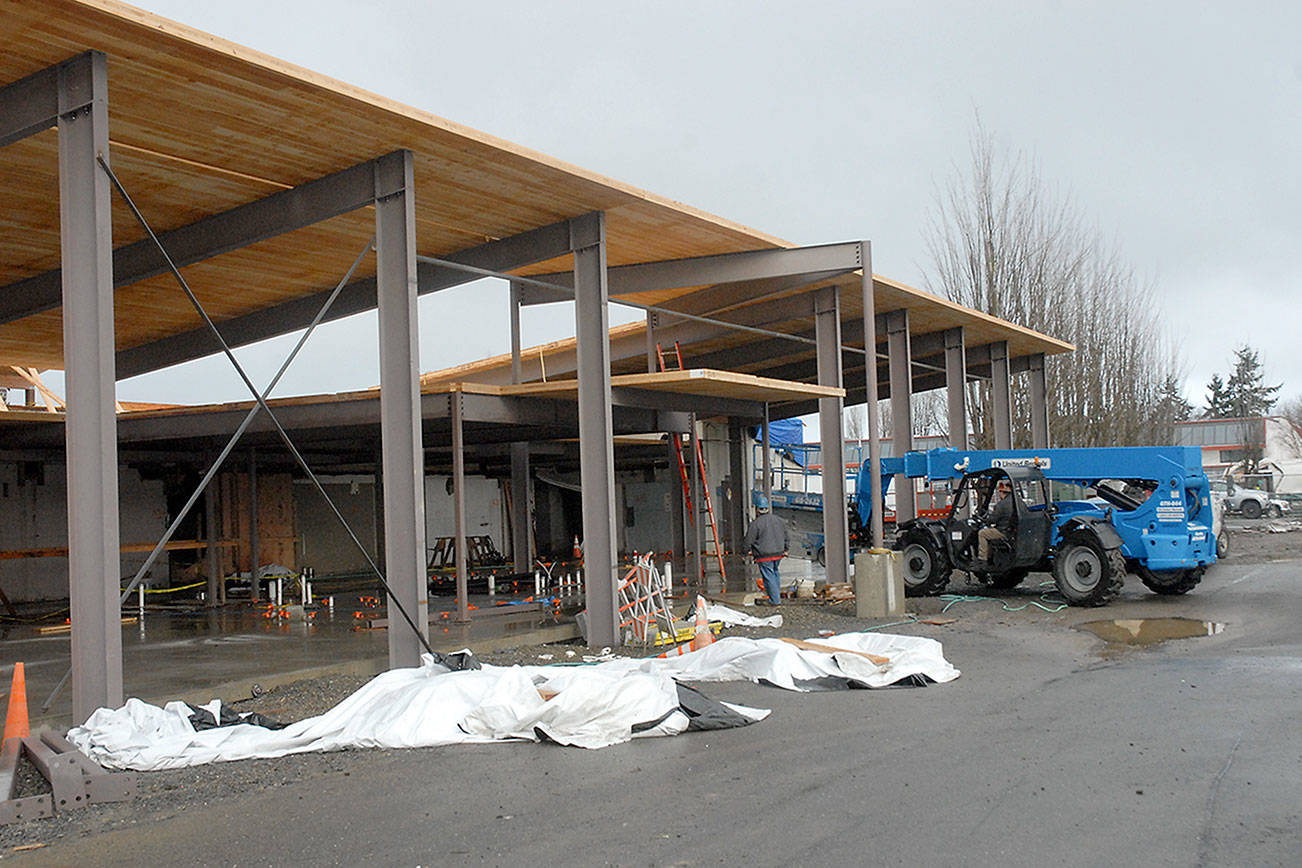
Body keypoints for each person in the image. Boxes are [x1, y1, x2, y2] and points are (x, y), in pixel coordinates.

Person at [742, 495, 789, 605]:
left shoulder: (755, 524)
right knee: (775, 573)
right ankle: (775, 597)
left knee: (769, 576)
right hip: (778, 553)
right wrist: (786, 548)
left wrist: (744, 553)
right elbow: (786, 535)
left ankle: (775, 600)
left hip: (764, 555)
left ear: (757, 509)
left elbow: (748, 540)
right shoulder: (779, 520)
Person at [976, 478, 1016, 564]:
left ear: (1002, 493)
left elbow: (993, 519)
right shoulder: (1017, 502)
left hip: (1003, 531)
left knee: (982, 533)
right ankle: (990, 555)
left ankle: (982, 559)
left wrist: (986, 520)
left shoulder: (1001, 505)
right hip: (1012, 531)